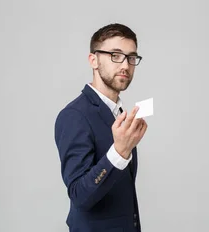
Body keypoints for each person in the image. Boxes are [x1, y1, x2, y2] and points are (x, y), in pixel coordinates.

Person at [54, 23, 148, 232]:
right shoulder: (74, 116)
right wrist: (119, 152)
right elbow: (79, 195)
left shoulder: (119, 114)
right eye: (115, 55)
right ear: (93, 60)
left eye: (131, 57)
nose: (125, 65)